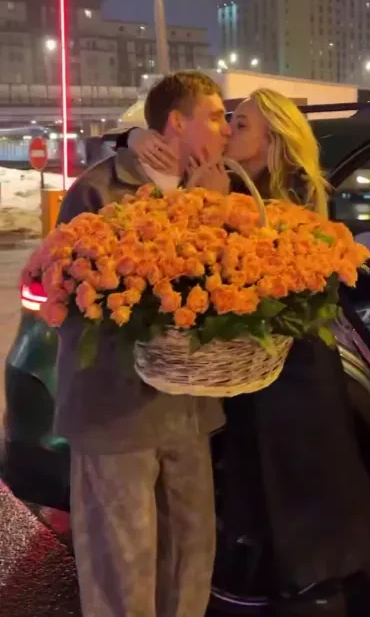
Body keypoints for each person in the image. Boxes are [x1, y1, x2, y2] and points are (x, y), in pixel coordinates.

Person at [120, 89, 370, 617]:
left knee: (299, 477)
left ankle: (311, 584)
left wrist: (215, 207)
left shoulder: (294, 195)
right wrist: (137, 135)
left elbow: (257, 278)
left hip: (296, 369)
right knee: (256, 476)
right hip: (251, 368)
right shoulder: (231, 179)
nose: (226, 130)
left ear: (273, 140)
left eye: (240, 124)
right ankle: (271, 579)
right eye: (227, 120)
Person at [55, 71, 231, 617]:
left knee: (190, 559)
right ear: (177, 122)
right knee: (121, 566)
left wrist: (214, 212)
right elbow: (71, 298)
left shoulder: (218, 186)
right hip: (115, 413)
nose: (226, 129)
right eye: (216, 117)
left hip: (188, 413)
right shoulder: (99, 190)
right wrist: (194, 212)